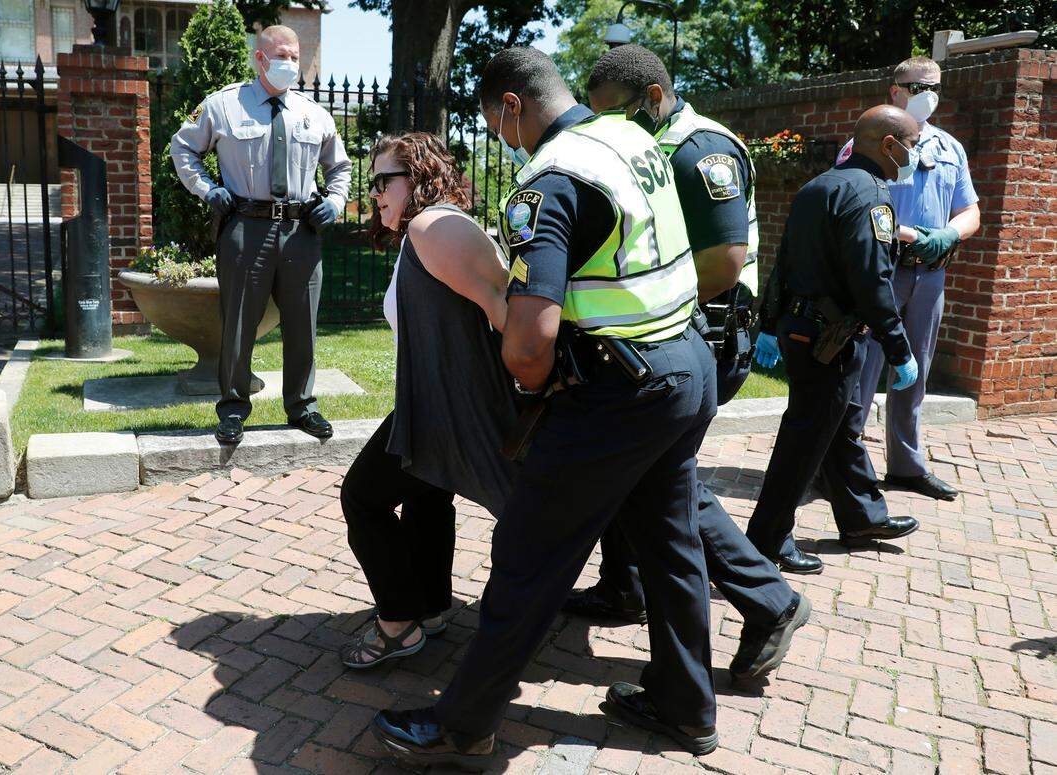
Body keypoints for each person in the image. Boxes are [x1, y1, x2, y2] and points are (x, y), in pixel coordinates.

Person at [371, 47, 721, 770]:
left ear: (511, 107)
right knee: (672, 543)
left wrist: (530, 392)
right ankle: (686, 705)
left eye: (498, 127)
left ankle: (464, 722)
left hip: (621, 389)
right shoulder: (634, 138)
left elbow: (530, 337)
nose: (503, 142)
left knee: (528, 557)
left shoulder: (551, 180)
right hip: (688, 362)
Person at [566, 44, 809, 684]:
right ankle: (625, 585)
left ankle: (770, 600)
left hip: (699, 333)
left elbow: (726, 258)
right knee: (644, 472)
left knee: (664, 479)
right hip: (672, 332)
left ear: (653, 97)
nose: (605, 129)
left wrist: (645, 313)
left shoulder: (701, 151)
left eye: (614, 113)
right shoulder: (650, 145)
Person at [338, 132, 517, 669]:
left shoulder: (436, 228)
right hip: (434, 403)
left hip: (449, 408)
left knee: (363, 498)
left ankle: (397, 624)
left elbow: (506, 312)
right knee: (427, 494)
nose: (374, 193)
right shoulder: (426, 233)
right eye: (371, 183)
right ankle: (432, 607)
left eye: (382, 180)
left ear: (419, 177)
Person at [746, 105, 922, 575]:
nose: (915, 154)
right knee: (805, 440)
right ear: (889, 145)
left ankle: (862, 516)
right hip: (830, 338)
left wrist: (769, 321)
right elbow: (873, 281)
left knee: (839, 427)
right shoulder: (871, 198)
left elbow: (781, 260)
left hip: (801, 329)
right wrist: (899, 347)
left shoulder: (818, 186)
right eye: (913, 144)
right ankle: (766, 539)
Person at [170, 25, 350, 445]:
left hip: (301, 231)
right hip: (245, 228)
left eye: (296, 55)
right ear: (261, 58)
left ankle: (302, 406)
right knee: (238, 324)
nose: (291, 62)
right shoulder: (223, 106)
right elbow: (183, 147)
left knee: (303, 322)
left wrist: (336, 202)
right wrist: (205, 188)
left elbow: (339, 167)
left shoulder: (313, 113)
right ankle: (233, 409)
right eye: (282, 55)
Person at [843, 57, 980, 501]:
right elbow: (853, 206)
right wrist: (910, 234)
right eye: (920, 85)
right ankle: (844, 466)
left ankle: (906, 465)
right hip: (881, 272)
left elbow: (970, 211)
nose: (930, 93)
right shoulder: (866, 142)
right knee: (862, 373)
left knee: (913, 373)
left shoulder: (949, 148)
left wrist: (946, 235)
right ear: (895, 89)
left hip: (930, 276)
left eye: (936, 85)